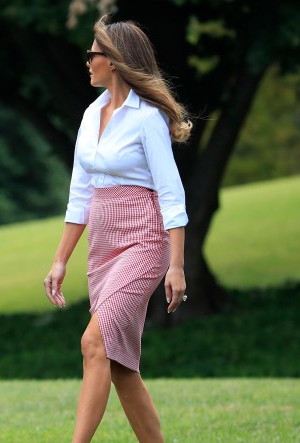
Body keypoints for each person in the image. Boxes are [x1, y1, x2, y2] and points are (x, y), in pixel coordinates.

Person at [43, 16, 193, 443]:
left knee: (94, 342)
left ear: (115, 60)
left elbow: (171, 195)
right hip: (102, 245)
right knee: (121, 364)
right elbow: (79, 196)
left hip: (145, 241)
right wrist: (59, 260)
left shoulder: (147, 119)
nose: (87, 60)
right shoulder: (91, 115)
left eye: (94, 52)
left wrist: (177, 266)